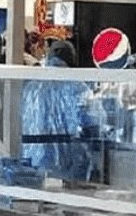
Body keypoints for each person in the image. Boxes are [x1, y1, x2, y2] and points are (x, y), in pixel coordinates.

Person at [20, 39, 92, 184]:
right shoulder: (79, 88)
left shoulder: (30, 87)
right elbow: (90, 123)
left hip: (32, 162)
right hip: (69, 164)